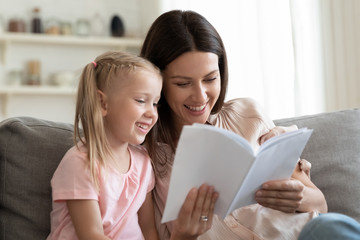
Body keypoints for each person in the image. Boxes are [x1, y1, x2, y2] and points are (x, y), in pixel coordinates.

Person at [140, 10, 328, 239]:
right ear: (157, 82)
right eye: (183, 83)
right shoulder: (144, 158)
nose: (200, 96)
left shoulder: (248, 114)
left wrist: (300, 197)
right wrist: (182, 235)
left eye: (210, 79)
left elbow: (321, 206)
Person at [47, 51, 162, 239]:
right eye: (141, 101)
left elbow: (148, 229)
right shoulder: (80, 163)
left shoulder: (143, 163)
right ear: (103, 103)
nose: (152, 113)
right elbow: (92, 235)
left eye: (156, 103)